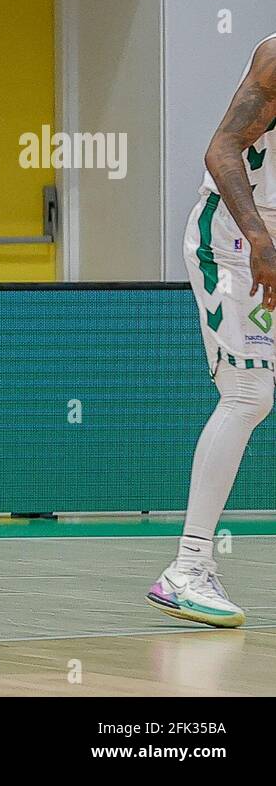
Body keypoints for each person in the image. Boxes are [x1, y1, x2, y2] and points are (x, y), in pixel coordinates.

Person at [152, 32, 276, 627]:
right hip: (235, 240)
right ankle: (188, 568)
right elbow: (223, 147)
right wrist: (259, 238)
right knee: (250, 395)